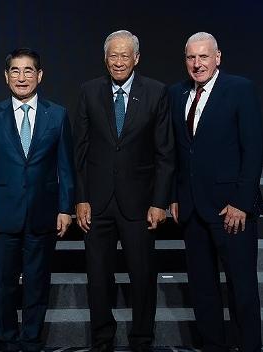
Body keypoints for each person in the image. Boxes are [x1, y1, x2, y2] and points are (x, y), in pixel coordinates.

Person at [73, 30, 175, 352]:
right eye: (113, 56)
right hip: (98, 204)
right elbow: (80, 151)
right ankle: (102, 340)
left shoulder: (156, 93)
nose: (119, 62)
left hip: (140, 203)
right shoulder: (89, 91)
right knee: (98, 279)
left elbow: (165, 153)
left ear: (137, 58)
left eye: (125, 55)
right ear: (106, 59)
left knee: (142, 278)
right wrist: (81, 197)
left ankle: (142, 340)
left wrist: (160, 202)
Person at [169, 32, 263, 352]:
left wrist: (241, 202)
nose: (197, 64)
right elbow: (177, 153)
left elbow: (253, 150)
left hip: (230, 210)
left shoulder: (240, 89)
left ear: (218, 57)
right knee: (203, 289)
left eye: (203, 57)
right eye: (191, 58)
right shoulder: (176, 93)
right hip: (192, 208)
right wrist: (174, 196)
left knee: (242, 288)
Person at [0, 47, 75, 352]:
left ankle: (31, 339)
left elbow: (65, 167)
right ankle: (5, 340)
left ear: (40, 75)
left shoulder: (57, 115)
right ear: (6, 77)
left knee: (37, 282)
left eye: (28, 70)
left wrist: (65, 208)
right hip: (4, 214)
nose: (21, 77)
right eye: (15, 71)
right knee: (4, 285)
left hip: (43, 214)